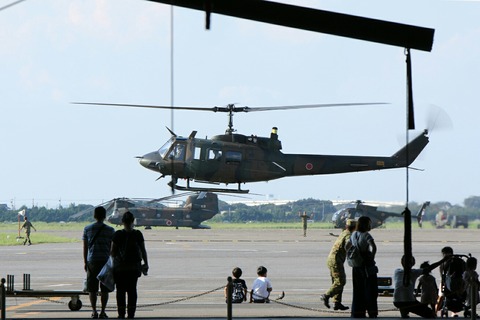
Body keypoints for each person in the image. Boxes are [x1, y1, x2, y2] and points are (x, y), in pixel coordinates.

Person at [111, 211, 149, 319]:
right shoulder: (138, 234)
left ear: (122, 221)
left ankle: (121, 314)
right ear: (133, 221)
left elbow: (112, 253)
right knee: (132, 291)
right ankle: (131, 314)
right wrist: (146, 264)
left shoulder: (117, 234)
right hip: (134, 268)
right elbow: (143, 250)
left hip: (120, 269)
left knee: (120, 292)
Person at [83, 206, 115, 319]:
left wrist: (85, 262)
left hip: (92, 261)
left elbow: (85, 247)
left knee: (92, 289)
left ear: (94, 216)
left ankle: (94, 311)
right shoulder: (110, 230)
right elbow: (113, 248)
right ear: (105, 216)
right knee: (104, 288)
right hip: (105, 262)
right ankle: (103, 311)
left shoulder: (87, 229)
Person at [346, 216, 378, 318]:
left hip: (356, 266)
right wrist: (372, 257)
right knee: (370, 290)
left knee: (358, 291)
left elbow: (347, 246)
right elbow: (374, 246)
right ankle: (372, 312)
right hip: (366, 266)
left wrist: (350, 255)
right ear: (366, 224)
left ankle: (357, 312)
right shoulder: (366, 235)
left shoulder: (354, 234)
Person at [321, 219, 356, 311]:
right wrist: (351, 249)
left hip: (332, 259)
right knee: (340, 282)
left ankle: (337, 303)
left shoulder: (344, 232)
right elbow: (348, 244)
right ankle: (326, 295)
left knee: (336, 282)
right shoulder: (349, 235)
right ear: (355, 227)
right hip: (336, 261)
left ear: (346, 226)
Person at [436, 246, 454, 314]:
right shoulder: (443, 264)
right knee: (441, 296)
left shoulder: (452, 262)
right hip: (446, 281)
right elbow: (442, 274)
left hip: (451, 281)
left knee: (442, 296)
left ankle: (453, 312)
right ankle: (436, 310)